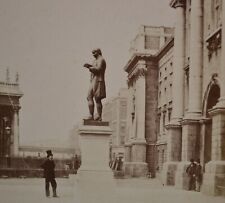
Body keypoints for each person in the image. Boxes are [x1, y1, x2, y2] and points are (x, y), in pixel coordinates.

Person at [83, 48, 106, 121]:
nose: (93, 54)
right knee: (89, 96)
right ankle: (91, 115)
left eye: (94, 52)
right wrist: (90, 66)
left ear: (98, 52)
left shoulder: (101, 60)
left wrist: (89, 67)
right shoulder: (95, 61)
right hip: (93, 80)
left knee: (97, 99)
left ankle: (99, 116)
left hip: (99, 80)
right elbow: (94, 68)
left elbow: (98, 69)